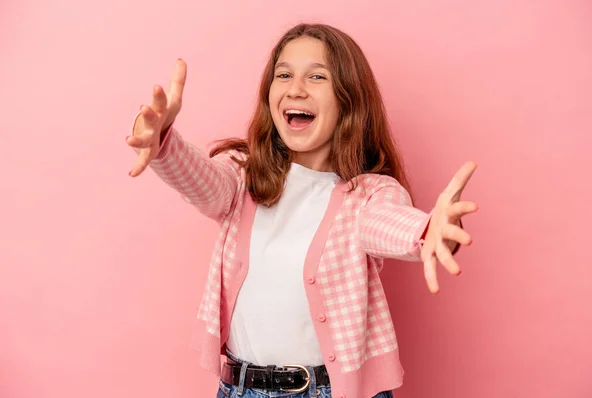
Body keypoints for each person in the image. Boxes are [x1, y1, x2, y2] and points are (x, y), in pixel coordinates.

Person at [126, 23, 477, 398]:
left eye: (316, 76)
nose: (296, 88)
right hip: (241, 389)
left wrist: (428, 232)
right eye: (284, 75)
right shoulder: (244, 179)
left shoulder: (367, 195)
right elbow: (203, 181)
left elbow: (387, 224)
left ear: (348, 98)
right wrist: (163, 141)